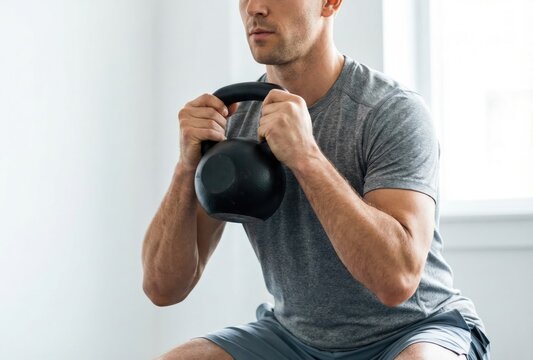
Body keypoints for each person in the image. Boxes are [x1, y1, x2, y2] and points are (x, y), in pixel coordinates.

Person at [141, 0, 491, 359]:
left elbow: (397, 282)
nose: (255, 8)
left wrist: (306, 156)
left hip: (412, 330)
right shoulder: (234, 121)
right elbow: (162, 289)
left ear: (330, 3)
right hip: (292, 338)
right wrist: (186, 166)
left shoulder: (391, 111)